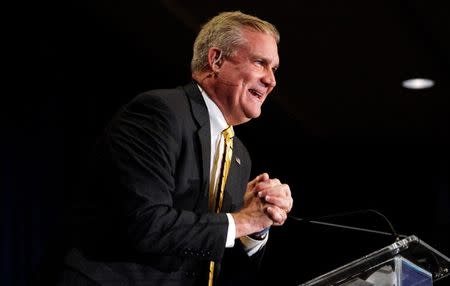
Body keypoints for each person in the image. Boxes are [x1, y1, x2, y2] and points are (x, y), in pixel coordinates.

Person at [57, 11, 293, 286]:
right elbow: (145, 223)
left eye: (273, 69)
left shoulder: (239, 155)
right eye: (259, 63)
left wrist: (258, 225)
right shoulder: (159, 113)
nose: (271, 80)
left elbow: (213, 253)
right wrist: (242, 222)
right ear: (216, 60)